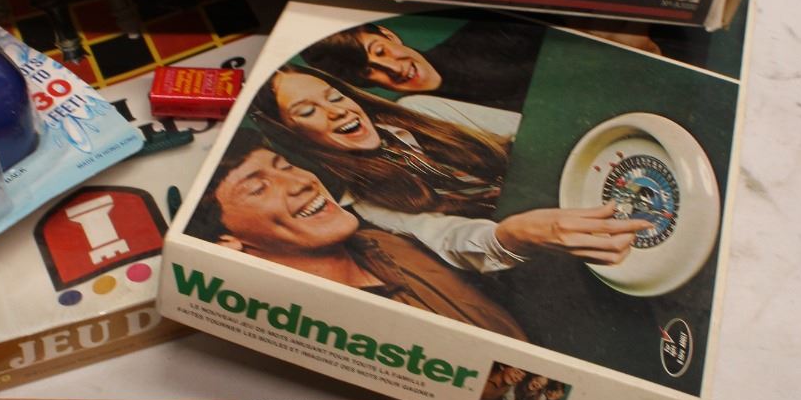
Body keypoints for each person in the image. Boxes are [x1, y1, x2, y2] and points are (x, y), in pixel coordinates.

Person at [254, 66, 650, 277]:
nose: (337, 111)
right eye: (309, 111)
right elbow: (454, 240)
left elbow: (527, 130)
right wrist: (513, 235)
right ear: (293, 135)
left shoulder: (421, 109)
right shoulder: (367, 203)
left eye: (335, 96)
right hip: (555, 255)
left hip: (589, 179)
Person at [185, 132, 527, 340]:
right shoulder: (303, 324)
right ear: (228, 243)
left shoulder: (388, 243)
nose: (301, 182)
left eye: (286, 166)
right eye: (258, 188)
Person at [301, 18, 544, 116]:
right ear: (362, 82)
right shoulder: (423, 122)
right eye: (368, 70)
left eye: (380, 51)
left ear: (389, 35)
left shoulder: (494, 34)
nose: (393, 68)